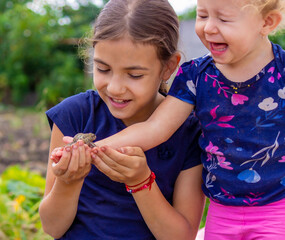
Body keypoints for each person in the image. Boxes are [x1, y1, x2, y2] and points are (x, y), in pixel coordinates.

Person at [95, 0, 285, 239]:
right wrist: (94, 148)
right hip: (221, 212)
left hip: (277, 209)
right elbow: (155, 128)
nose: (208, 28)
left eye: (223, 19)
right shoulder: (195, 75)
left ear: (267, 22)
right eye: (202, 15)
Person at [39, 0, 205, 239]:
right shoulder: (74, 115)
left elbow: (181, 236)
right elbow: (52, 227)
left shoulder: (189, 131)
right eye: (103, 69)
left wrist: (141, 182)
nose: (115, 88)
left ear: (169, 67)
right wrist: (69, 181)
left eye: (134, 75)